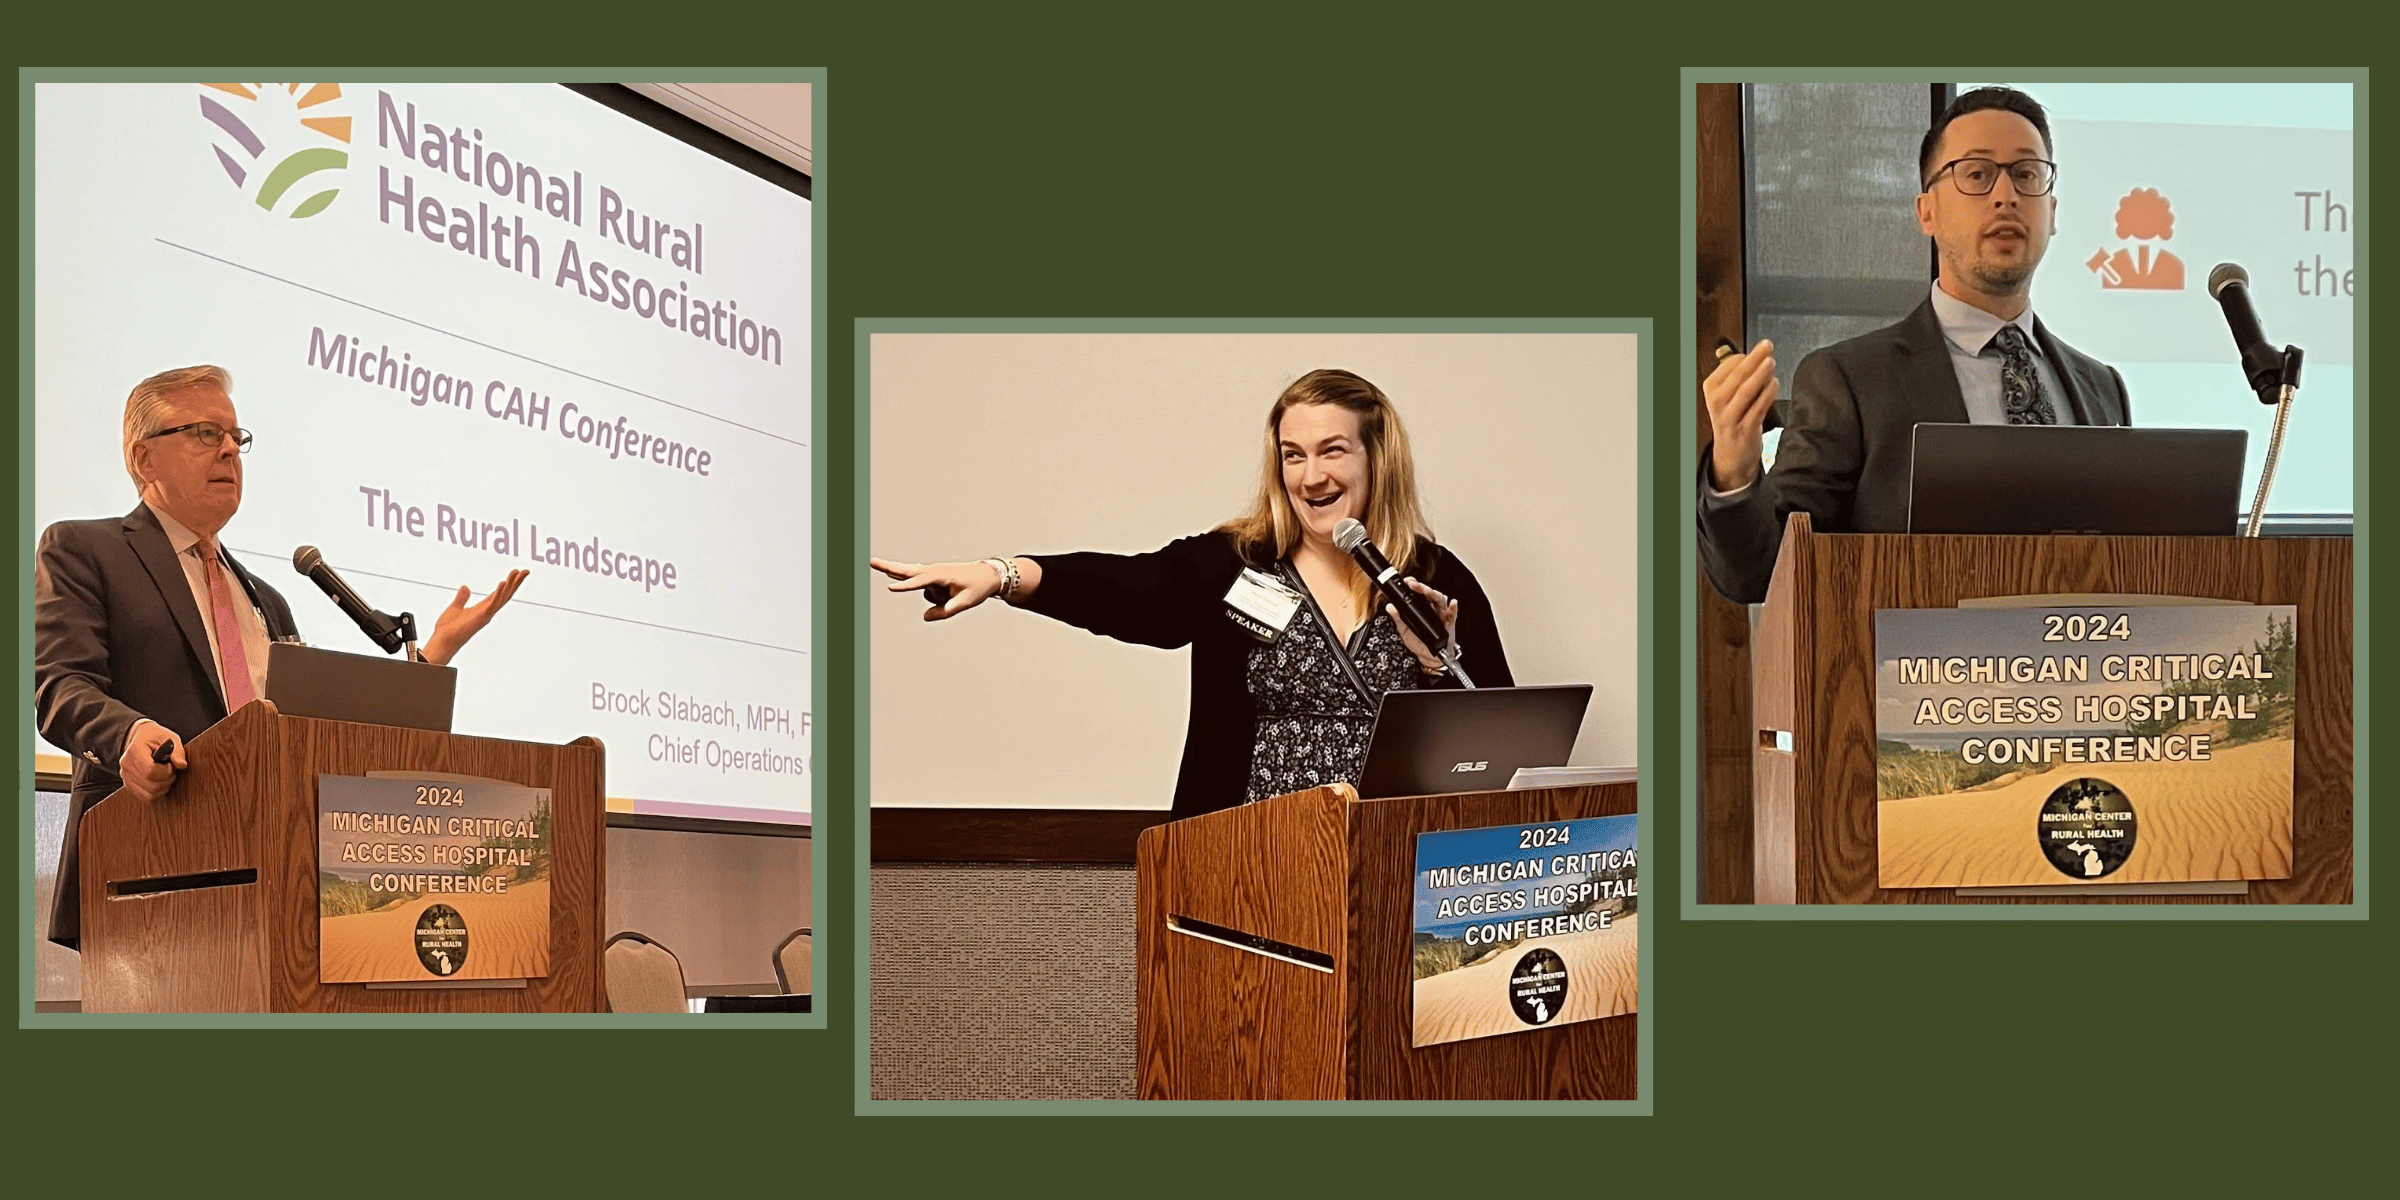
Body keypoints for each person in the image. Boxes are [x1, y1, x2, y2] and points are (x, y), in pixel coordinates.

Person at [870, 368, 1513, 820]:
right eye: (1293, 455)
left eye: (1332, 452)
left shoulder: (1435, 578)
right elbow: (1128, 590)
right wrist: (1003, 574)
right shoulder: (1233, 563)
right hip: (1252, 859)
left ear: (1377, 457)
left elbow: (1501, 745)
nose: (1311, 476)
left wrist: (1436, 660)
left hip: (1399, 858)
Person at [35, 365, 530, 948]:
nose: (228, 450)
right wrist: (128, 736)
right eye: (203, 433)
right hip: (149, 872)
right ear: (144, 460)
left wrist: (431, 658)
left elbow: (317, 727)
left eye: (236, 437)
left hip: (272, 880)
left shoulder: (265, 599)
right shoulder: (84, 549)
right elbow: (60, 684)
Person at [1698, 86, 2133, 604]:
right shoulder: (1850, 381)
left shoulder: (2102, 388)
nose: (2005, 195)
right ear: (1927, 212)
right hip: (1915, 680)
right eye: (1976, 174)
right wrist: (1735, 470)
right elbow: (1763, 572)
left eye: (2026, 174)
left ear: (2053, 211)